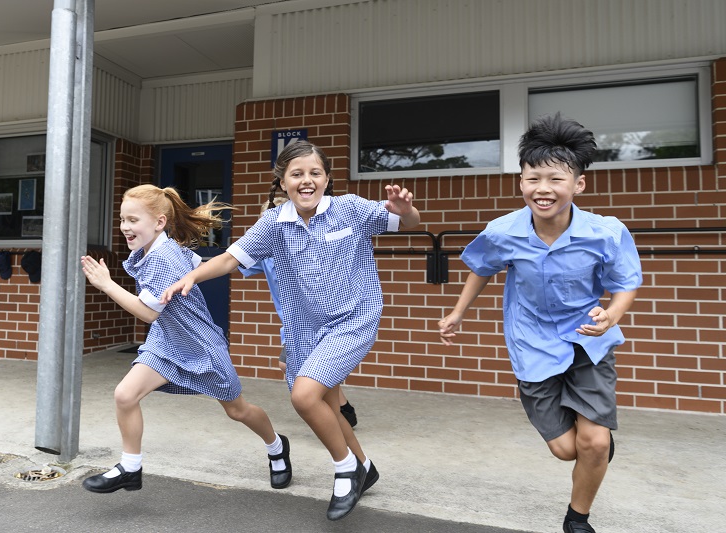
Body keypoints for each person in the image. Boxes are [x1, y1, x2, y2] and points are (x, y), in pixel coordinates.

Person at [161, 141, 420, 520]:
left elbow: (407, 222)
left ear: (327, 178)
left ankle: (346, 469)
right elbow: (232, 257)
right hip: (303, 329)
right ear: (282, 182)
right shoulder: (274, 223)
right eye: (297, 174)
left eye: (315, 173)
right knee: (326, 405)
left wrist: (405, 210)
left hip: (352, 319)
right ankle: (365, 466)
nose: (307, 180)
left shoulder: (350, 209)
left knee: (304, 397)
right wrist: (192, 276)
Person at [438, 113, 642, 533]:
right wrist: (459, 312)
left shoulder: (605, 233)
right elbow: (482, 267)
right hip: (531, 344)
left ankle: (577, 518)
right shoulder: (504, 231)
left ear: (578, 185)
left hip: (587, 340)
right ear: (521, 182)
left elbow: (625, 285)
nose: (543, 189)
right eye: (533, 179)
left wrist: (613, 314)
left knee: (594, 443)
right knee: (567, 450)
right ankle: (589, 446)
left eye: (555, 179)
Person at [79, 184, 292, 494]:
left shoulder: (162, 255)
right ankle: (131, 467)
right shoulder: (162, 248)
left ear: (159, 222)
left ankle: (276, 447)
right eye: (123, 219)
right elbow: (196, 265)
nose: (125, 227)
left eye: (133, 220)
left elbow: (148, 313)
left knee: (237, 410)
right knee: (125, 395)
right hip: (166, 342)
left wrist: (106, 285)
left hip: (200, 346)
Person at [239, 197, 360, 428]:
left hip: (318, 321)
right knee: (305, 367)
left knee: (296, 367)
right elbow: (235, 261)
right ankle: (341, 409)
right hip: (293, 324)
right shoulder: (266, 255)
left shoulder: (306, 249)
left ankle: (339, 413)